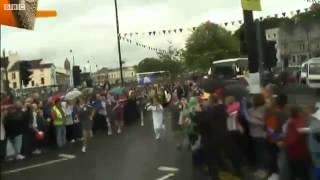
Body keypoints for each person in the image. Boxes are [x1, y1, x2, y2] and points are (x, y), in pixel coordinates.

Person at [284, 106, 310, 180]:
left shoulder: (292, 123)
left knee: (295, 172)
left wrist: (286, 142)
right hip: (301, 151)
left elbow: (292, 139)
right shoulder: (301, 121)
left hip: (295, 152)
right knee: (301, 172)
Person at [248, 94, 268, 178]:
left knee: (261, 153)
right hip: (253, 134)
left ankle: (263, 170)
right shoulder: (250, 109)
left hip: (260, 135)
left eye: (252, 99)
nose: (251, 101)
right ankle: (259, 169)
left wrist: (252, 120)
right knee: (257, 153)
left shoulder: (264, 109)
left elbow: (264, 123)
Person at [299, 103, 320, 180]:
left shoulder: (314, 121)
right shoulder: (311, 120)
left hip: (316, 149)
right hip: (312, 149)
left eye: (306, 111)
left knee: (316, 167)